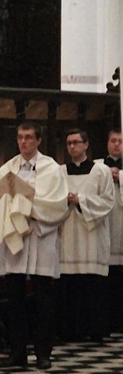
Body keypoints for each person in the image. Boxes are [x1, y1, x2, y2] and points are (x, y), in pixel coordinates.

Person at [0, 122, 68, 370]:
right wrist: (14, 207)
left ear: (39, 140)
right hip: (15, 236)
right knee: (14, 297)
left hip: (39, 236)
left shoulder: (51, 168)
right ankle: (17, 352)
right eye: (20, 137)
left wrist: (27, 205)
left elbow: (57, 204)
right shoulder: (8, 168)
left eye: (29, 138)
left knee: (44, 298)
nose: (23, 142)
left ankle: (43, 353)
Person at [58, 129, 114, 342]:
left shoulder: (101, 171)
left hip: (92, 235)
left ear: (86, 145)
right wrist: (64, 201)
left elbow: (108, 201)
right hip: (69, 234)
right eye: (69, 143)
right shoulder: (60, 171)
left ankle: (95, 329)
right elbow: (53, 200)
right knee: (70, 285)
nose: (72, 147)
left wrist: (80, 201)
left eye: (76, 143)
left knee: (93, 286)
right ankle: (70, 329)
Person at [97, 128, 123, 335]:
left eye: (120, 141)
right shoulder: (97, 166)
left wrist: (120, 176)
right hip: (104, 224)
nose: (116, 145)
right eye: (113, 140)